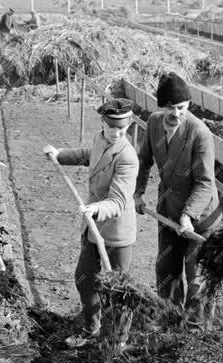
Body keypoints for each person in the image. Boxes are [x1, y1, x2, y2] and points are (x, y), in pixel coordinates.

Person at [43, 99, 139, 347]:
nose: (117, 132)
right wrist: (60, 155)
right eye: (111, 127)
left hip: (116, 232)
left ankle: (118, 342)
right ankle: (91, 329)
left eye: (122, 128)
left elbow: (118, 201)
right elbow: (90, 156)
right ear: (103, 122)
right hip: (93, 227)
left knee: (119, 291)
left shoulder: (128, 157)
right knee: (84, 278)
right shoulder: (100, 138)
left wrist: (95, 208)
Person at [134, 72, 222, 329]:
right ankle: (170, 316)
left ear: (189, 105)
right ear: (161, 107)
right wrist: (138, 193)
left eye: (181, 108)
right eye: (170, 108)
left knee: (197, 276)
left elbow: (205, 182)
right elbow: (143, 161)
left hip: (201, 217)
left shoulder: (200, 133)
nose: (176, 114)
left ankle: (196, 329)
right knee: (166, 266)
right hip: (169, 210)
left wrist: (188, 215)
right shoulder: (153, 123)